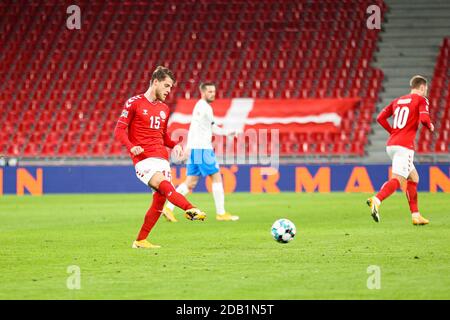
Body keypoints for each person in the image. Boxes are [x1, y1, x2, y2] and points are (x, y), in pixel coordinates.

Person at [114, 66, 206, 249]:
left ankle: (140, 240)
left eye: (170, 87)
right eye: (166, 86)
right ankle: (190, 208)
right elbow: (119, 130)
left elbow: (163, 137)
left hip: (162, 159)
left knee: (159, 200)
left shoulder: (164, 108)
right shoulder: (134, 102)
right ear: (155, 82)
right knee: (165, 185)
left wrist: (175, 145)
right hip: (144, 159)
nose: (168, 91)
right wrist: (132, 148)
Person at [162, 82, 240, 222]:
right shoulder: (203, 107)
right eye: (209, 91)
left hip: (196, 148)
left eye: (214, 91)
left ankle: (168, 208)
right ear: (203, 92)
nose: (212, 94)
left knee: (190, 182)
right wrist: (190, 147)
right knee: (216, 177)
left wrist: (227, 132)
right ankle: (221, 213)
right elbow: (196, 127)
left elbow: (208, 126)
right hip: (202, 148)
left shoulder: (203, 107)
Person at [367, 75, 434, 225]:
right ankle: (376, 200)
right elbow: (424, 119)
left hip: (391, 145)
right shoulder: (421, 100)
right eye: (426, 89)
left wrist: (392, 131)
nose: (426, 92)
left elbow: (380, 118)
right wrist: (431, 126)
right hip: (404, 146)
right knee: (397, 180)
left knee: (413, 178)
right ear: (422, 87)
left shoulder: (398, 100)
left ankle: (416, 215)